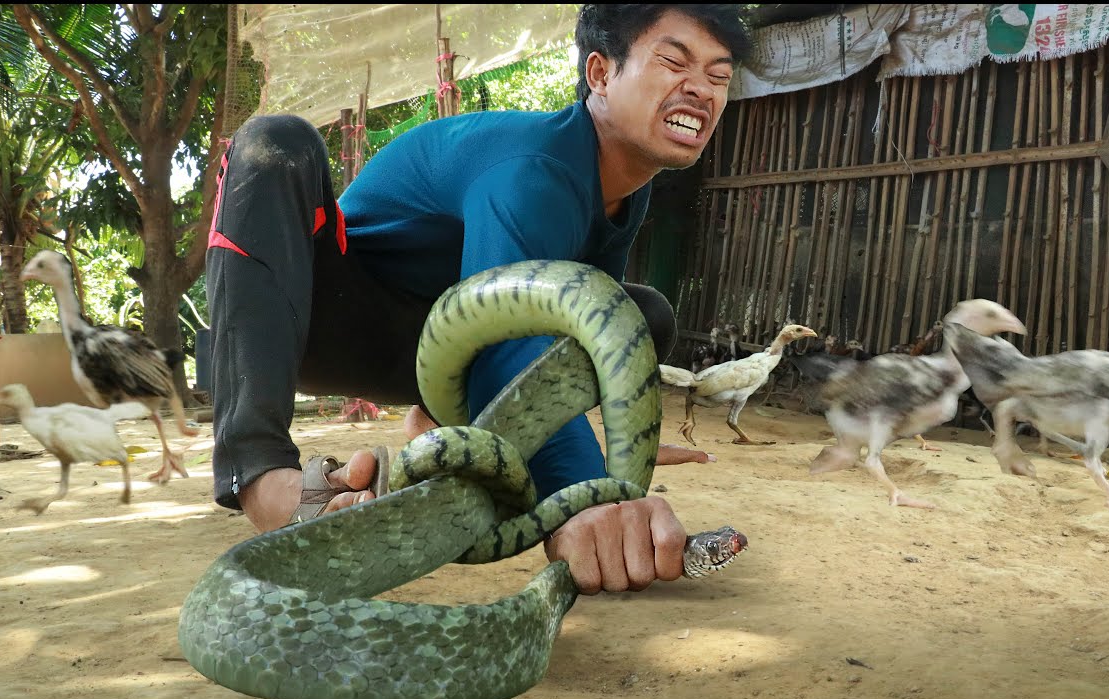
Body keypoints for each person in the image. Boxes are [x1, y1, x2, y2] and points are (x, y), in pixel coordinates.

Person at [204, 4, 752, 594]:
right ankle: (262, 476)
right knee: (275, 141)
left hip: (435, 349)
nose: (700, 89)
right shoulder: (534, 167)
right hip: (318, 317)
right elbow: (507, 337)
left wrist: (619, 435)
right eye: (674, 62)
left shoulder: (625, 192)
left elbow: (580, 329)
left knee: (637, 317)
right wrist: (583, 491)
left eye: (718, 77)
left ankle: (438, 431)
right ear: (599, 74)